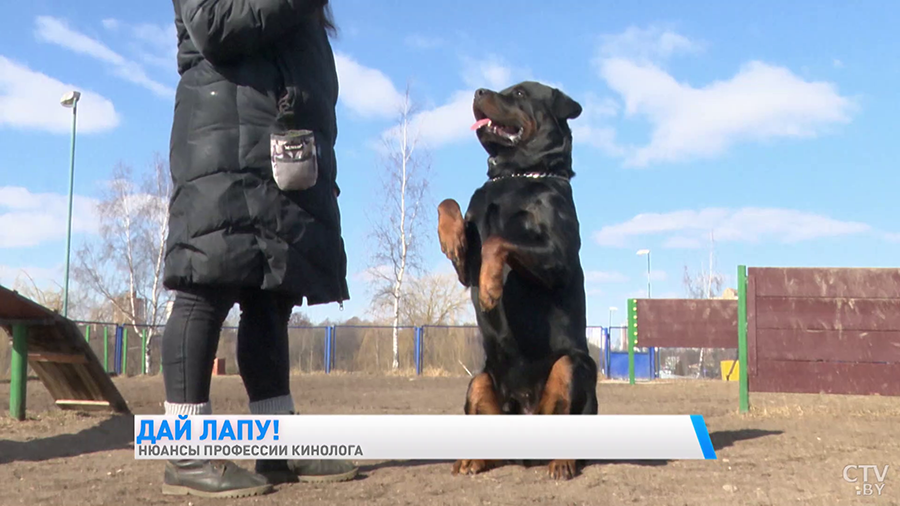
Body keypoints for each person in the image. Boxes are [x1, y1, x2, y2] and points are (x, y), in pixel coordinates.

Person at [160, 0, 354, 498]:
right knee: (206, 283)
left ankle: (276, 447)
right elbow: (212, 23)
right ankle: (185, 452)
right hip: (222, 136)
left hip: (279, 146)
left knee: (271, 296)